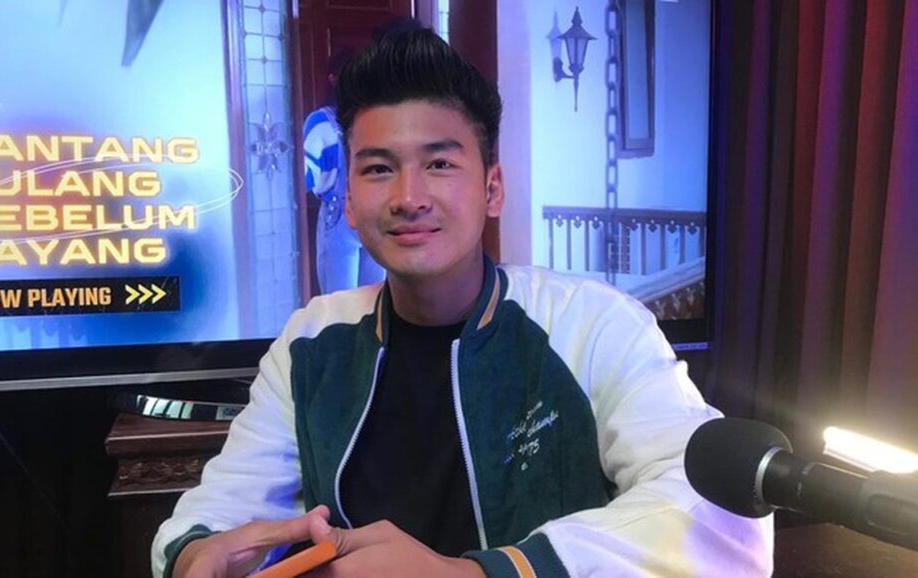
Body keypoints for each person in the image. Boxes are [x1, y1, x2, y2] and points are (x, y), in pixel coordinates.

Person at [153, 28, 773, 578]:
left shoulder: (592, 325)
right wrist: (195, 553)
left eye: (441, 163)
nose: (409, 196)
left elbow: (721, 519)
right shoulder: (312, 341)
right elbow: (219, 509)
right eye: (378, 169)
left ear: (492, 188)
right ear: (350, 201)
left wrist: (478, 574)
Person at [304, 48, 385, 294]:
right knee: (365, 301)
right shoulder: (375, 118)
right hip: (367, 213)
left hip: (348, 214)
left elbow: (307, 178)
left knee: (351, 303)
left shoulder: (323, 121)